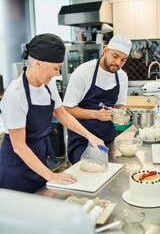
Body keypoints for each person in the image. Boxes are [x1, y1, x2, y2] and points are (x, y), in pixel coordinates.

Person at [0, 33, 104, 193]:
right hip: (16, 170)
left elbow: (62, 114)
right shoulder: (16, 95)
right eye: (56, 68)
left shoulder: (48, 85)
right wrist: (51, 176)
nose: (57, 73)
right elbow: (19, 146)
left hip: (39, 162)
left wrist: (89, 135)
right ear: (38, 62)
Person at [63, 34, 132, 164]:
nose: (118, 63)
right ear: (105, 51)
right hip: (82, 141)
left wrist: (122, 113)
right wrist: (96, 114)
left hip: (109, 139)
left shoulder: (122, 77)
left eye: (123, 60)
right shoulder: (83, 73)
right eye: (115, 56)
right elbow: (66, 110)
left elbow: (119, 105)